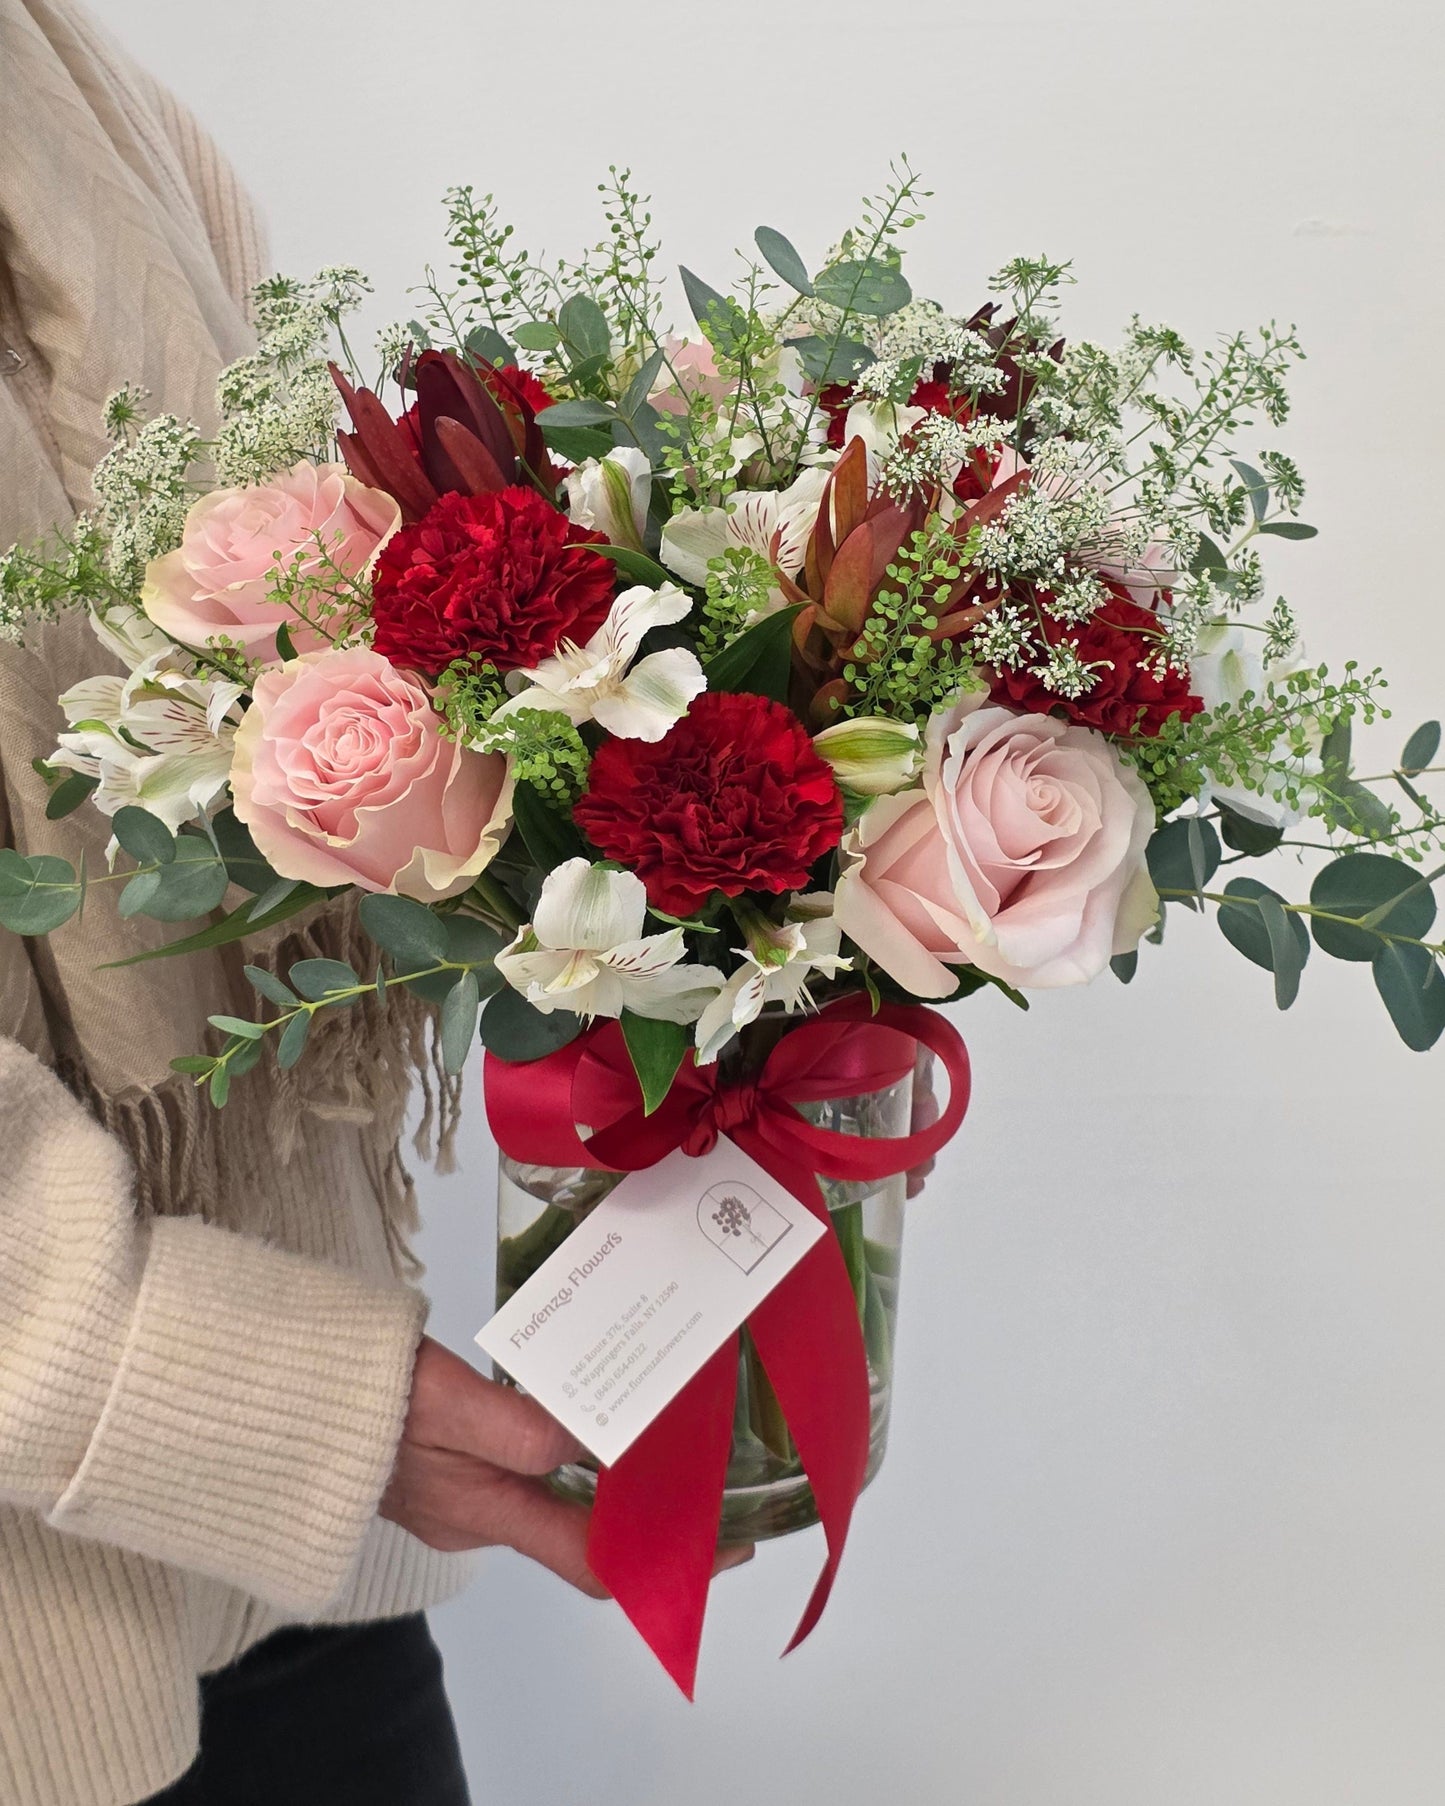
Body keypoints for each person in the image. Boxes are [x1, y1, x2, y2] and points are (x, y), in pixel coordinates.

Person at [0, 7, 757, 1802]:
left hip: (290, 1554)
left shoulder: (58, 85)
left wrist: (723, 921)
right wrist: (291, 1404)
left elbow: (301, 635)